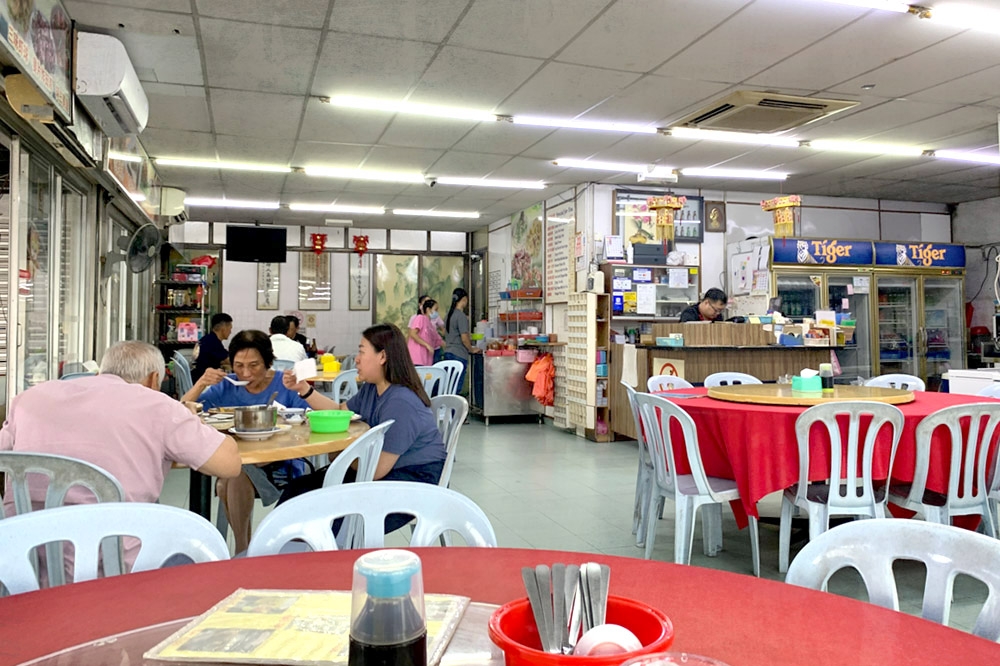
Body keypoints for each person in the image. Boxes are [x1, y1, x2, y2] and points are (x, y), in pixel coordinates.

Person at [1, 341, 242, 570]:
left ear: (101, 373)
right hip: (117, 569)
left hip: (21, 567)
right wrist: (188, 418)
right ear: (153, 379)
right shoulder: (157, 405)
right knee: (199, 551)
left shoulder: (29, 399)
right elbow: (229, 465)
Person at [182, 330, 341, 553]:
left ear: (268, 362)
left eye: (254, 365)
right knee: (231, 475)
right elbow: (179, 414)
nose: (245, 373)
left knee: (227, 478)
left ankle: (241, 549)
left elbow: (309, 420)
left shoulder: (285, 384)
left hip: (281, 463)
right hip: (240, 463)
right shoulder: (228, 385)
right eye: (238, 365)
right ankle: (245, 551)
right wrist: (200, 384)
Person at [279, 323, 447, 534]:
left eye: (361, 351)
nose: (356, 358)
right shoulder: (372, 389)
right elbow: (339, 412)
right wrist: (304, 389)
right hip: (382, 471)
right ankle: (284, 558)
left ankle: (321, 561)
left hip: (414, 481)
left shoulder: (401, 402)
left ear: (382, 357)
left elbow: (376, 470)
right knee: (297, 489)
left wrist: (340, 455)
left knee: (327, 514)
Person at [443, 287, 481, 392]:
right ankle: (454, 408)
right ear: (464, 299)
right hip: (459, 354)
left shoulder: (448, 315)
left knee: (449, 386)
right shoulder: (461, 316)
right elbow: (464, 338)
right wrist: (471, 349)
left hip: (448, 353)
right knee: (456, 386)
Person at [192, 313, 233, 382]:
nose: (230, 332)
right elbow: (229, 360)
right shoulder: (214, 342)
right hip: (205, 380)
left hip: (197, 376)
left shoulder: (208, 339)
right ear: (224, 328)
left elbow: (220, 359)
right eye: (230, 328)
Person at [407, 298, 443, 367]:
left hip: (426, 361)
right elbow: (413, 333)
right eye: (435, 310)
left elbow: (439, 341)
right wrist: (427, 345)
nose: (437, 313)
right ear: (428, 310)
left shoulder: (431, 326)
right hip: (417, 359)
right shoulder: (420, 318)